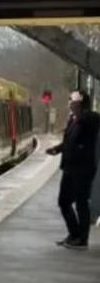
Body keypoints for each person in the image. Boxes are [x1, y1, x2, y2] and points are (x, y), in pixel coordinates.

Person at [46, 90, 100, 249]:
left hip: (83, 169)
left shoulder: (90, 119)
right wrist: (56, 149)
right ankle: (74, 234)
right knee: (64, 201)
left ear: (81, 102)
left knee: (81, 203)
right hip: (69, 167)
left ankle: (82, 239)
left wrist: (79, 113)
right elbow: (68, 141)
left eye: (72, 100)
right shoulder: (73, 119)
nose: (69, 102)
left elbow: (88, 127)